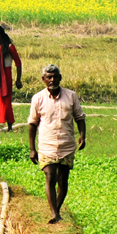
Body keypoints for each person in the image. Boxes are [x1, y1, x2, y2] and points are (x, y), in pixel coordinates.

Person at [28, 65, 87, 224]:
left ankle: (58, 209)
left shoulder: (71, 96)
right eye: (49, 77)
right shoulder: (38, 98)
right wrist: (32, 149)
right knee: (50, 176)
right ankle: (54, 213)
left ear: (60, 78)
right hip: (47, 145)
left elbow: (80, 118)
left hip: (66, 144)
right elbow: (32, 124)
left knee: (63, 180)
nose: (52, 80)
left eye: (55, 76)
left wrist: (82, 136)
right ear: (44, 79)